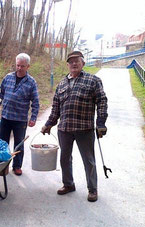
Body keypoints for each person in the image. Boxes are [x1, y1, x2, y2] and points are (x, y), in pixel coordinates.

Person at [41, 51, 108, 202]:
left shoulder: (93, 80)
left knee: (88, 160)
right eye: (71, 62)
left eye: (77, 61)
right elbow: (55, 108)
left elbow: (102, 101)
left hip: (84, 128)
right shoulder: (62, 84)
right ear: (68, 65)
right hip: (64, 129)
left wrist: (101, 123)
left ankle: (92, 189)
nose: (74, 64)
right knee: (65, 159)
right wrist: (48, 124)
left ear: (83, 63)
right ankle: (68, 184)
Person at [0, 53, 39, 176]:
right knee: (2, 142)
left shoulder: (31, 82)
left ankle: (17, 166)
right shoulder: (8, 77)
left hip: (20, 119)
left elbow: (35, 102)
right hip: (5, 117)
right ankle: (2, 166)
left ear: (28, 67)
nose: (19, 68)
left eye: (22, 66)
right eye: (18, 65)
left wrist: (33, 117)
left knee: (19, 143)